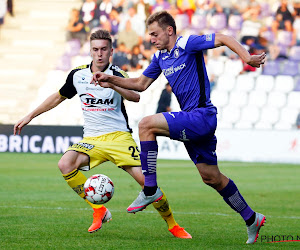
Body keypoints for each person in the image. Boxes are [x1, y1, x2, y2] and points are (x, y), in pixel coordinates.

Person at [91, 11, 267, 244]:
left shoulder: (187, 44)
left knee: (146, 125)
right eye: (150, 35)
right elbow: (140, 84)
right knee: (211, 177)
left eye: (155, 34)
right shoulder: (160, 57)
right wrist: (110, 79)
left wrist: (246, 57)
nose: (151, 39)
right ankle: (251, 217)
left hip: (201, 116)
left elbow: (223, 38)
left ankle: (150, 188)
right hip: (192, 119)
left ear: (169, 31)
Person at [13, 29, 191, 239]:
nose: (99, 54)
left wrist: (112, 83)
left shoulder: (117, 74)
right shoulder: (78, 75)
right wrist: (30, 115)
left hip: (119, 137)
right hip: (92, 139)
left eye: (104, 49)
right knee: (65, 164)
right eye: (95, 49)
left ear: (111, 51)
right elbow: (58, 97)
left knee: (147, 182)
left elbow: (135, 97)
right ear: (90, 51)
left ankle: (172, 224)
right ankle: (99, 209)